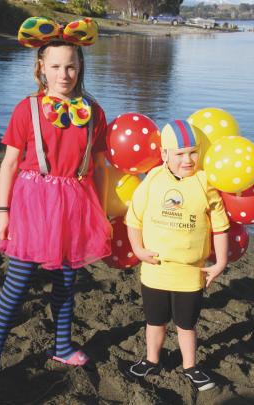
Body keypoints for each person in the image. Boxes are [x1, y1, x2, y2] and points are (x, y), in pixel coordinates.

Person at [0, 16, 112, 401]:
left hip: (76, 206)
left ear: (80, 67)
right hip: (33, 206)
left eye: (71, 66)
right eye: (55, 66)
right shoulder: (26, 109)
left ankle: (62, 346)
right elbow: (9, 165)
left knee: (67, 284)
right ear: (41, 68)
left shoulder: (94, 113)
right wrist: (2, 212)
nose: (64, 73)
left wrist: (104, 212)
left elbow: (98, 168)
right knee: (15, 288)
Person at [124, 119, 229, 391]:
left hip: (190, 272)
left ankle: (191, 366)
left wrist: (221, 262)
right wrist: (137, 249)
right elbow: (133, 218)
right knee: (155, 320)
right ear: (164, 154)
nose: (188, 159)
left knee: (186, 323)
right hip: (155, 269)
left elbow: (220, 226)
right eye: (179, 153)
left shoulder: (206, 182)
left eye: (193, 152)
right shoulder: (153, 180)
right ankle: (151, 359)